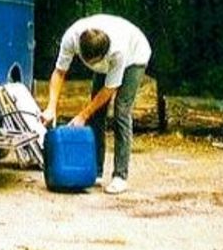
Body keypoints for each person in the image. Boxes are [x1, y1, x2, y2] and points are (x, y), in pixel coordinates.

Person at [40, 14, 152, 194]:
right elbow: (59, 72)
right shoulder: (71, 37)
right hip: (108, 60)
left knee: (121, 111)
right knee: (96, 113)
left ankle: (120, 176)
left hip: (135, 55)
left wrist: (82, 115)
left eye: (95, 62)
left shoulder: (117, 51)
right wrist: (51, 107)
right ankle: (96, 171)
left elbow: (110, 89)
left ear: (103, 55)